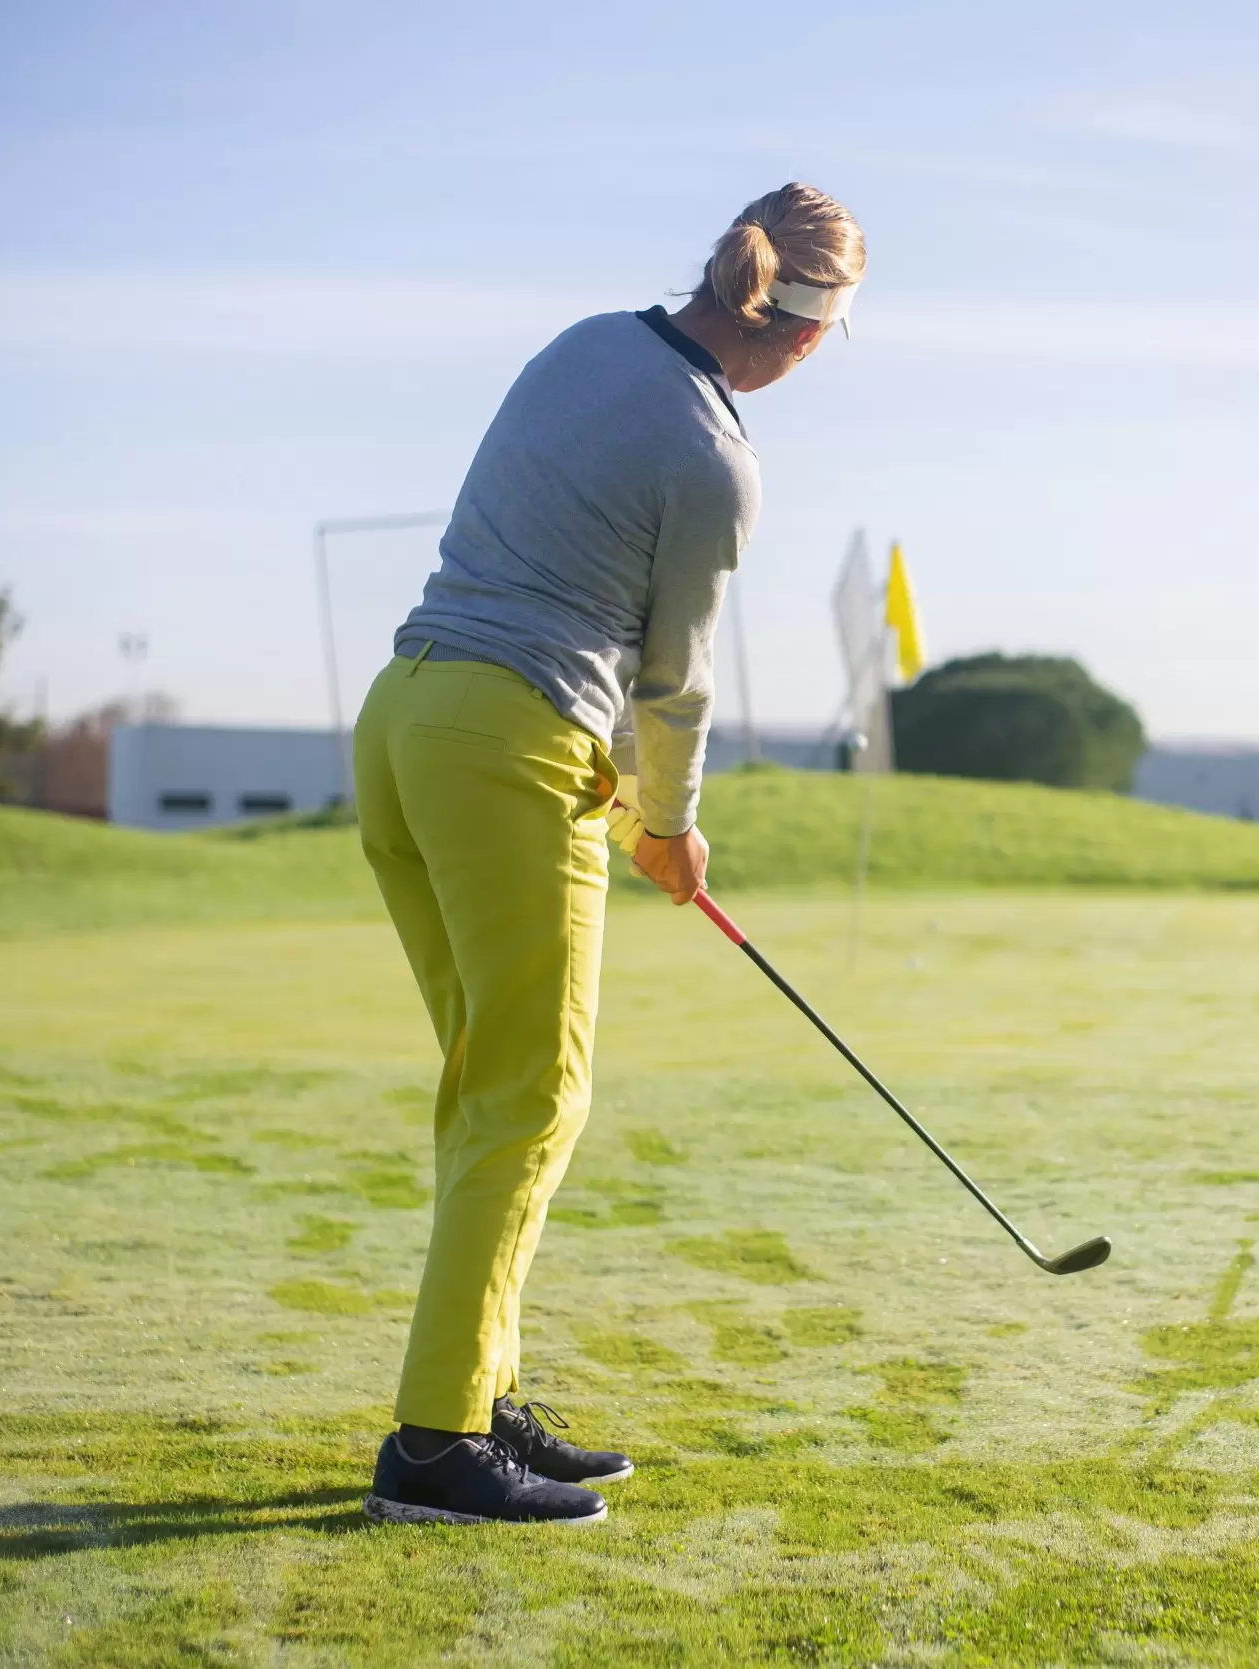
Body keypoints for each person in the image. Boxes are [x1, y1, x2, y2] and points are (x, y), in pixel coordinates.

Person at [352, 183, 865, 1526]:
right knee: (534, 1095)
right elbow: (673, 688)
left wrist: (642, 814)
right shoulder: (716, 460)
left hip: (403, 719)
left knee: (489, 1084)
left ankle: (479, 1393)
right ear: (811, 330)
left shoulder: (586, 342)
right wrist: (671, 827)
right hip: (514, 743)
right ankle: (434, 1447)